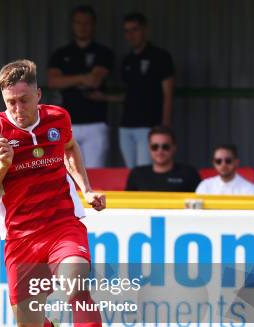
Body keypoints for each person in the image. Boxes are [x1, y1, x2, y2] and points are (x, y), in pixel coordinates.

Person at [0, 59, 117, 327]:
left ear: (38, 94)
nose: (18, 108)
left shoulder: (58, 118)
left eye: (24, 99)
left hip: (62, 225)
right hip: (21, 238)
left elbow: (69, 148)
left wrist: (86, 188)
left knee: (77, 283)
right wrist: (3, 165)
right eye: (11, 102)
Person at [47, 5, 114, 168]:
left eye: (87, 23)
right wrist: (83, 77)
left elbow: (94, 81)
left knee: (94, 173)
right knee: (67, 172)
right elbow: (53, 82)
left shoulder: (103, 52)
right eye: (78, 22)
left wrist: (68, 79)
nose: (82, 27)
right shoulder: (61, 53)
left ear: (93, 24)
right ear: (72, 25)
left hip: (96, 123)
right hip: (68, 123)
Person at [119, 12, 174, 168]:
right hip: (126, 125)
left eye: (135, 29)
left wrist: (165, 126)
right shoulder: (127, 60)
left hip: (149, 125)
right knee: (131, 171)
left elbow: (168, 94)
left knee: (145, 168)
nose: (130, 35)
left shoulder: (160, 56)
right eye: (127, 31)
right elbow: (130, 93)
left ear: (145, 30)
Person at [125, 125, 200, 192]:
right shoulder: (137, 174)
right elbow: (126, 204)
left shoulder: (189, 173)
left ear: (174, 147)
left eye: (165, 147)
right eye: (155, 147)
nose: (160, 151)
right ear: (149, 148)